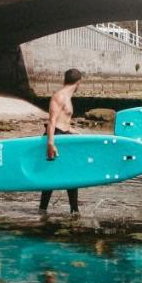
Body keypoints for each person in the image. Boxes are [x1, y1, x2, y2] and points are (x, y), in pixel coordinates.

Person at [41, 68, 84, 215]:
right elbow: (52, 121)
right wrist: (50, 143)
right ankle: (43, 209)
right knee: (53, 175)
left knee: (70, 173)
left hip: (63, 135)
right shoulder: (59, 96)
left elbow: (63, 122)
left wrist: (75, 132)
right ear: (78, 82)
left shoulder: (67, 97)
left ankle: (73, 210)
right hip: (56, 137)